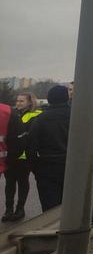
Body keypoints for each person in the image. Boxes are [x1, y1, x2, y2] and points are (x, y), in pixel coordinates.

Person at [26, 85, 71, 211]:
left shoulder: (41, 119)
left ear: (49, 99)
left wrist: (36, 169)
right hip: (74, 167)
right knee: (71, 205)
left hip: (48, 167)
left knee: (50, 207)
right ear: (66, 98)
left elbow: (31, 147)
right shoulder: (77, 116)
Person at [3, 93, 41, 222]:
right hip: (11, 155)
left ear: (30, 103)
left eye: (22, 101)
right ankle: (8, 209)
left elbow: (30, 137)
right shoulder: (13, 114)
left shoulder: (35, 116)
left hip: (24, 157)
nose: (18, 103)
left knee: (22, 182)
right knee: (9, 183)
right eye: (17, 100)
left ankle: (20, 208)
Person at [0, 102, 21, 222]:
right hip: (6, 159)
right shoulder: (8, 111)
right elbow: (17, 138)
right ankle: (9, 210)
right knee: (10, 184)